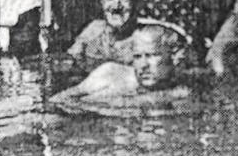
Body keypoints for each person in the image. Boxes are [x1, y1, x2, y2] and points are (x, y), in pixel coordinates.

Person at [50, 23, 191, 111]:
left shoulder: (186, 92)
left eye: (151, 56)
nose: (143, 65)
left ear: (175, 57)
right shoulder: (111, 73)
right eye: (137, 57)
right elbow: (58, 99)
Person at [65, 0, 140, 72]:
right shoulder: (92, 30)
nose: (116, 5)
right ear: (101, 1)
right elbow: (71, 61)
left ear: (135, 2)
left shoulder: (146, 37)